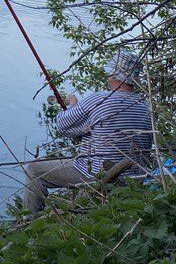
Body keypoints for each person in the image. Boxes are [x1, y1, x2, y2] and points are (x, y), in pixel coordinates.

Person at [22, 50, 154, 213]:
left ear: (113, 74)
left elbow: (63, 126)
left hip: (99, 175)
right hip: (135, 178)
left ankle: (29, 221)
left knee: (34, 170)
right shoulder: (145, 106)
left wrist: (72, 106)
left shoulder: (100, 99)